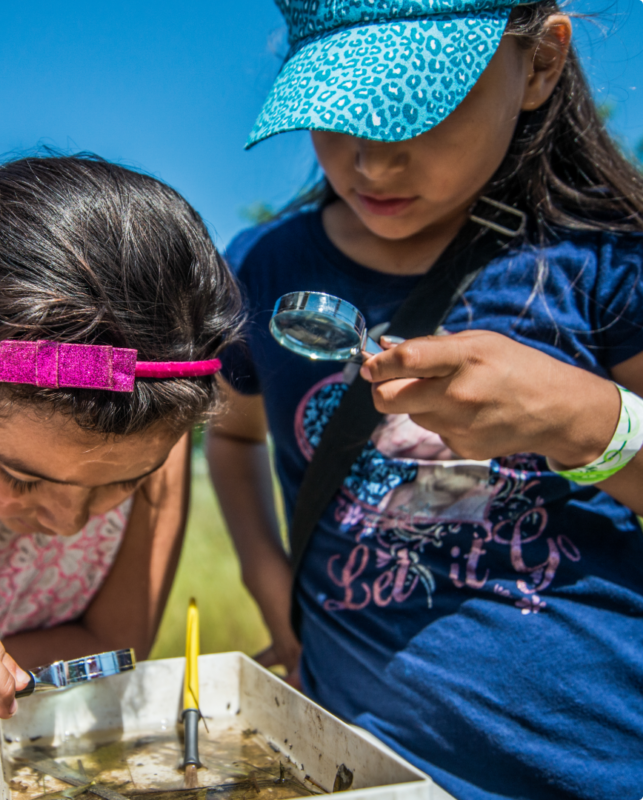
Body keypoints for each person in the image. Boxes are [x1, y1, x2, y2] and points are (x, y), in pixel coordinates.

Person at [207, 1, 643, 798]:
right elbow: (232, 438)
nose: (372, 162)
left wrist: (589, 420)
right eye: (335, 112)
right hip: (365, 768)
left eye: (420, 107)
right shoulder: (265, 270)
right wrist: (276, 597)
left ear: (540, 64)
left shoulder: (604, 255)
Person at [0, 153, 242, 762]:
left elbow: (110, 639)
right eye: (21, 476)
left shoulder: (157, 451)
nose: (68, 523)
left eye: (122, 484)